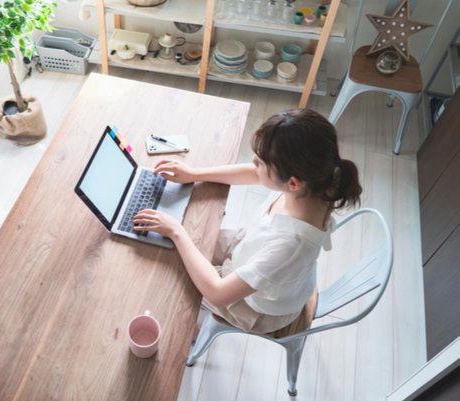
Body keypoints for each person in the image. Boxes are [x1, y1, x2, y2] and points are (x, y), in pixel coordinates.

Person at [133, 109, 362, 335]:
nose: (253, 162)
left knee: (170, 280)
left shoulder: (291, 246)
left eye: (261, 162)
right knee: (180, 243)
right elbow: (253, 173)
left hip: (255, 308)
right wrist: (195, 174)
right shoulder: (317, 184)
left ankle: (189, 333)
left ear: (292, 183)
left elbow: (217, 293)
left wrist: (177, 232)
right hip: (251, 251)